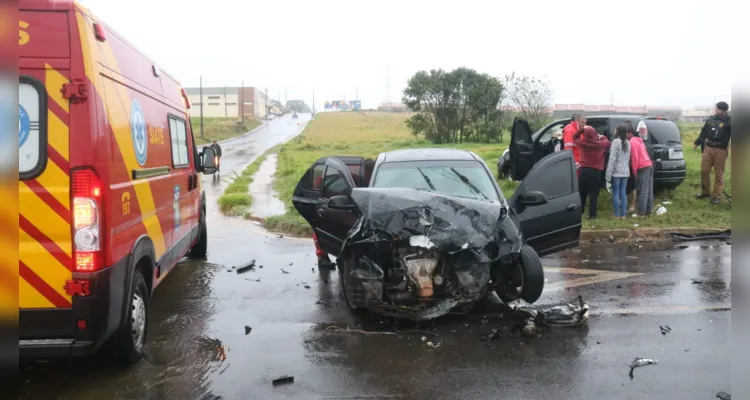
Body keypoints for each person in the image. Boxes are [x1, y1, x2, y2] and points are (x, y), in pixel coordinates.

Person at [693, 101, 731, 204]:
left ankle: (716, 196)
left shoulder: (729, 121)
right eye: (716, 108)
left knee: (719, 173)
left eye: (718, 109)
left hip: (721, 150)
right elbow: (703, 132)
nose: (716, 110)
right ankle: (705, 192)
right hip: (708, 148)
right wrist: (697, 143)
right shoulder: (710, 119)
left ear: (724, 111)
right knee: (704, 170)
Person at [573, 126, 610, 219]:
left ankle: (580, 213)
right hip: (595, 173)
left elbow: (574, 137)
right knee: (593, 195)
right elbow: (608, 142)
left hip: (583, 172)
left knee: (582, 194)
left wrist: (582, 130)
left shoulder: (582, 143)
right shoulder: (601, 144)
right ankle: (592, 215)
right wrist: (600, 136)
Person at [605, 125, 631, 219]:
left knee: (616, 193)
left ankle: (616, 215)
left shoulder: (616, 142)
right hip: (625, 171)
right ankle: (623, 215)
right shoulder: (628, 142)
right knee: (623, 193)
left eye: (615, 129)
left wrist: (608, 175)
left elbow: (612, 159)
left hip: (616, 172)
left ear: (618, 131)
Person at [628, 126, 654, 217]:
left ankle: (641, 213)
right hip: (649, 165)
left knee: (643, 190)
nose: (626, 136)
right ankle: (649, 211)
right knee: (649, 189)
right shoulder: (639, 141)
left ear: (630, 133)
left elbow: (635, 158)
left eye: (627, 134)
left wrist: (634, 171)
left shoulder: (632, 142)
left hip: (642, 167)